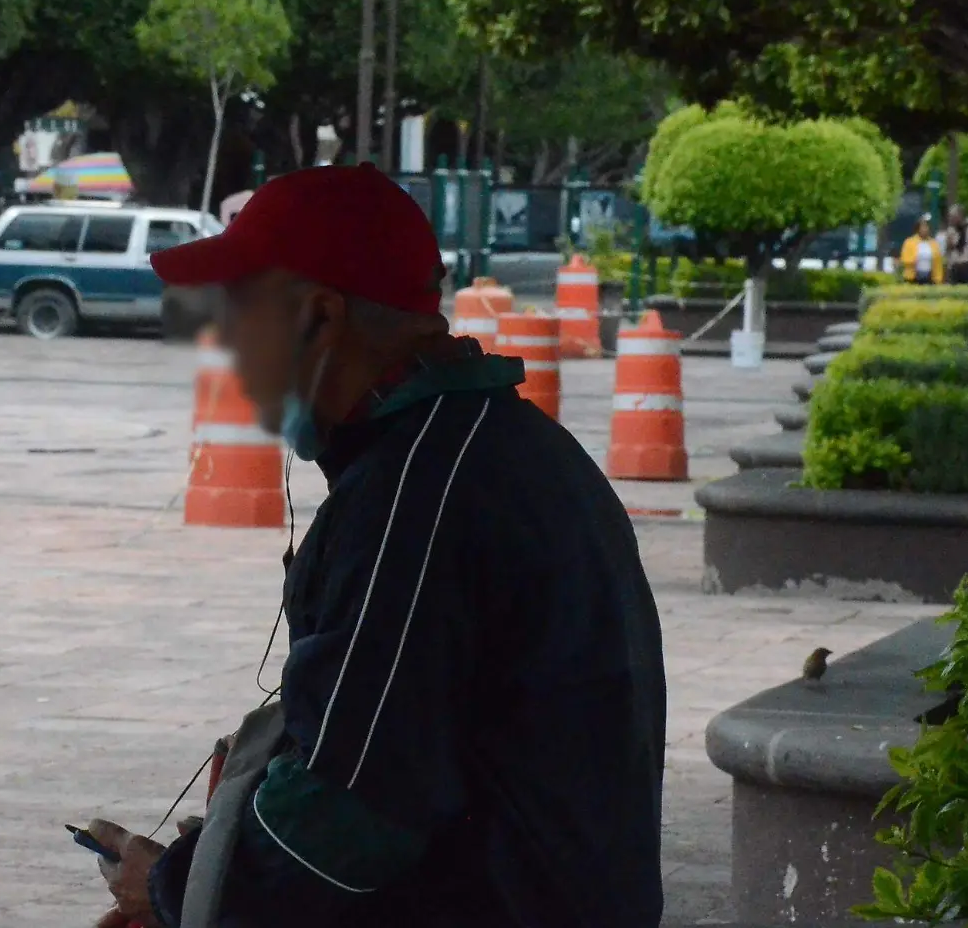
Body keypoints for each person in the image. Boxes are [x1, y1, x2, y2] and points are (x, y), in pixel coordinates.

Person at [81, 164, 666, 928]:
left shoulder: (419, 494)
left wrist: (171, 891)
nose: (225, 348)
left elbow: (350, 815)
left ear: (320, 320)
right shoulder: (496, 444)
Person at [900, 217, 944, 285]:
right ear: (918, 229)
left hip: (929, 276)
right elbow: (904, 259)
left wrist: (938, 279)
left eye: (927, 227)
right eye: (923, 227)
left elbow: (938, 261)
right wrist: (915, 259)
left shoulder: (934, 243)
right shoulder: (909, 242)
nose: (925, 229)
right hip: (913, 277)